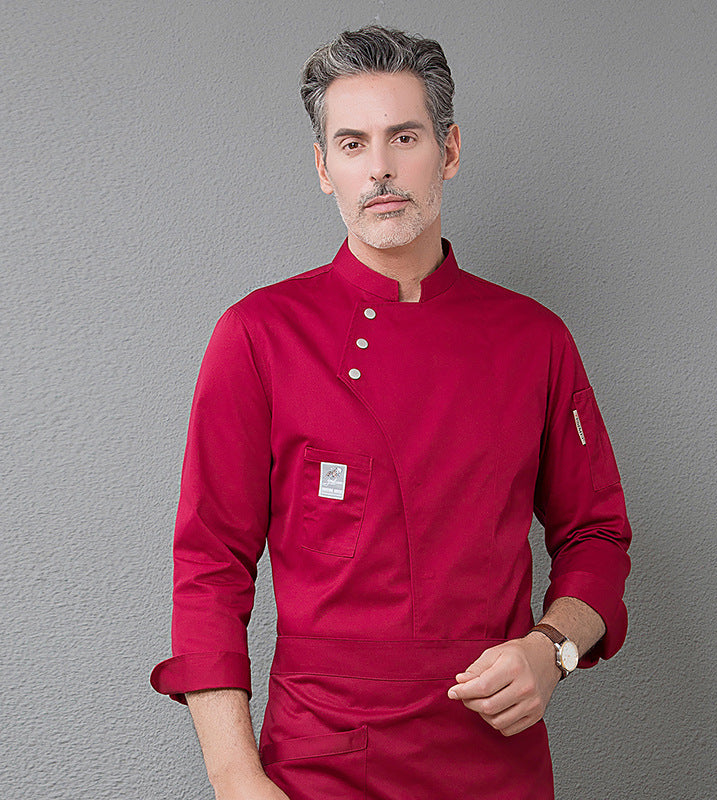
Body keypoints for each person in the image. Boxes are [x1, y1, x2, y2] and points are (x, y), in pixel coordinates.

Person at [150, 25, 632, 800]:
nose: (379, 168)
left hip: (495, 761)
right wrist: (236, 777)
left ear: (449, 151)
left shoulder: (535, 339)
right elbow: (209, 567)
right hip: (320, 765)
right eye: (352, 144)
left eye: (404, 137)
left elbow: (597, 534)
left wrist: (553, 649)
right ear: (324, 168)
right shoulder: (260, 336)